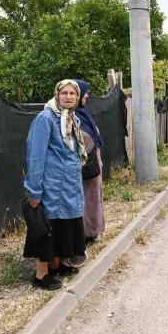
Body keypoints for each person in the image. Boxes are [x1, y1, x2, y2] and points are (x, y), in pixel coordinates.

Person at [23, 80, 87, 290]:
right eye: (64, 93)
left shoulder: (71, 118)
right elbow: (35, 156)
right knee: (46, 228)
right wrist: (34, 190)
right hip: (50, 187)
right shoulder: (45, 119)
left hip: (68, 186)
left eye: (72, 94)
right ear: (56, 95)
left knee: (63, 226)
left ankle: (56, 265)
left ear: (77, 98)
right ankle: (41, 275)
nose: (68, 97)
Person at [73, 79, 105, 245]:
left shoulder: (83, 113)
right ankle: (86, 232)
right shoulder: (72, 116)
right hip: (82, 165)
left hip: (93, 163)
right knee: (85, 198)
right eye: (85, 92)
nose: (87, 95)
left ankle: (93, 229)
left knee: (94, 196)